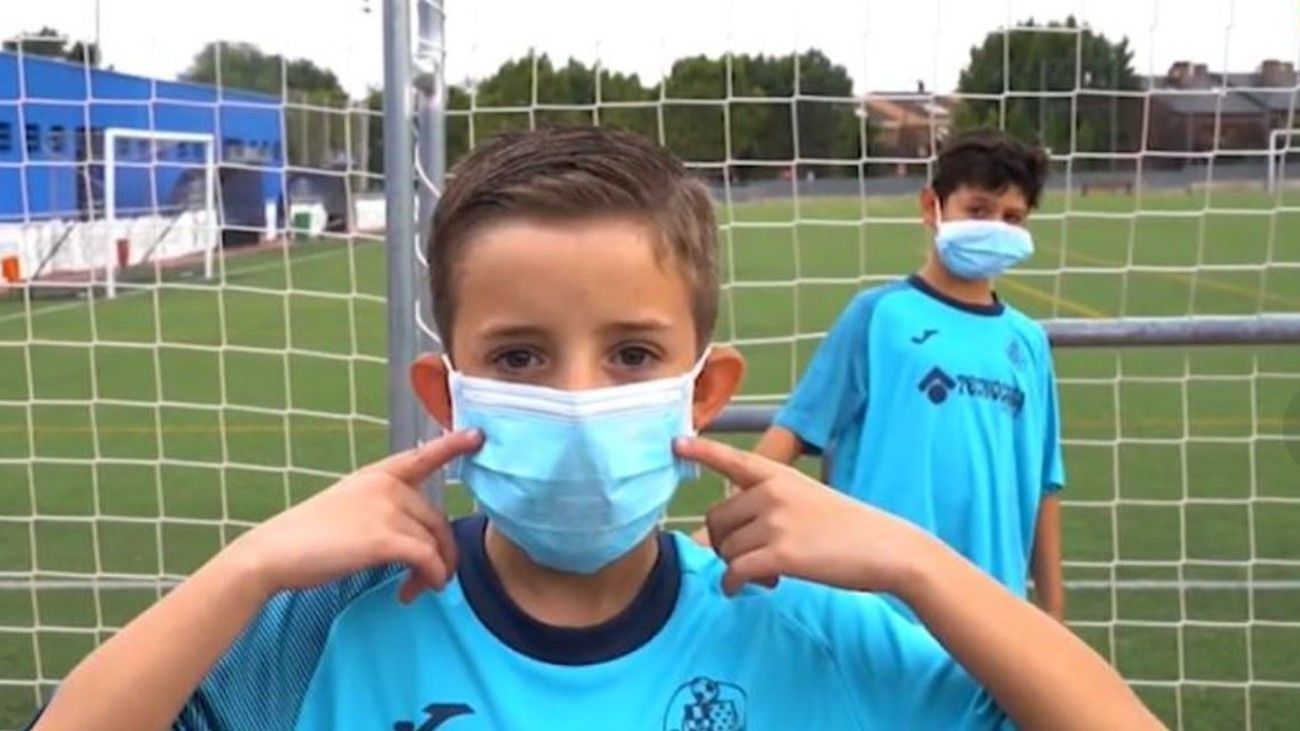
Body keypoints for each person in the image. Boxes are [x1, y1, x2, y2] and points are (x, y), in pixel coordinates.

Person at [31, 127, 1154, 731]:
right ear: (448, 389)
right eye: (519, 357)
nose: (575, 397)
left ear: (703, 391)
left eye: (629, 355)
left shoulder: (815, 627)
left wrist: (915, 564)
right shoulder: (318, 632)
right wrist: (249, 566)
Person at [746, 129, 1067, 619]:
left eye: (1013, 218)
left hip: (993, 614)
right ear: (930, 206)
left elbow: (1044, 489)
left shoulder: (1028, 342)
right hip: (876, 609)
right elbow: (789, 437)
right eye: (977, 211)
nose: (994, 228)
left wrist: (1053, 620)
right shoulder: (880, 317)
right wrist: (730, 540)